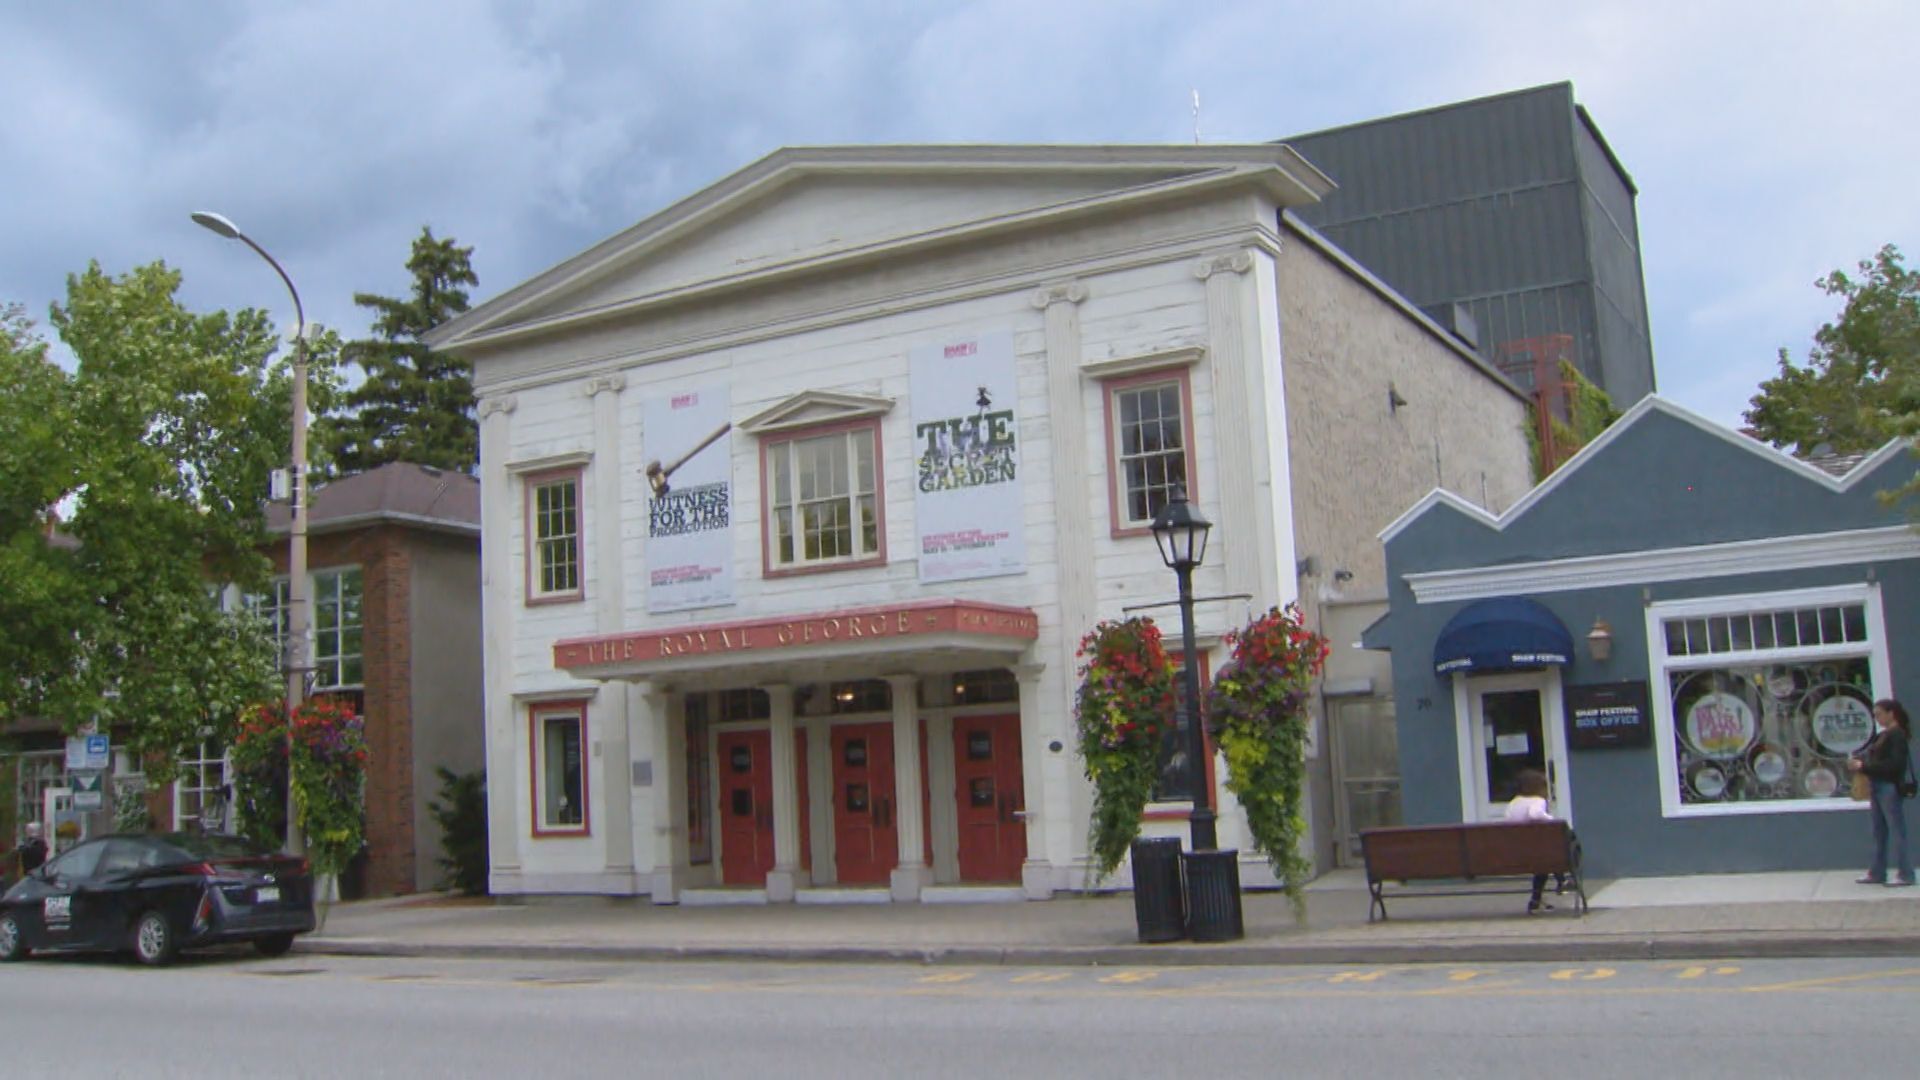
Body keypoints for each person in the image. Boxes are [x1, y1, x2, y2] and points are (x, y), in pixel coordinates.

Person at [1848, 698, 1915, 887]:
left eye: (1878, 714)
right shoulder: (1884, 735)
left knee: (1896, 830)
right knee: (1879, 831)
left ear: (1890, 713)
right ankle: (1877, 872)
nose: (1876, 718)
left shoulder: (1896, 735)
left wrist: (1865, 766)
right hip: (1878, 785)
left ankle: (1905, 874)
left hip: (1889, 786)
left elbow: (1895, 765)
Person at [1504, 769, 1559, 913]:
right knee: (1551, 856)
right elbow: (1534, 814)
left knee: (1545, 860)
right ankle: (1562, 880)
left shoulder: (1513, 803)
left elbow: (1508, 819)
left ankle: (1536, 900)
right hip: (1535, 854)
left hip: (1515, 853)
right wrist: (1552, 820)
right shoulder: (1538, 801)